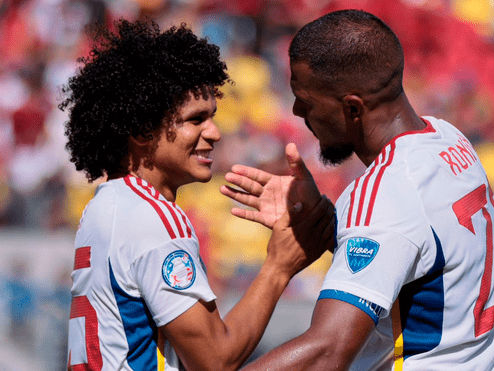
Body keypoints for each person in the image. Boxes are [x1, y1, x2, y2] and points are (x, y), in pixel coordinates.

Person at [221, 9, 494, 370]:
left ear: (352, 108)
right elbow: (420, 255)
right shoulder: (448, 139)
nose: (297, 111)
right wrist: (329, 223)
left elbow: (328, 351)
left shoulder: (388, 192)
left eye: (306, 101)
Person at [60, 19, 334, 371]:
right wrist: (279, 266)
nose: (215, 132)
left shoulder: (105, 204)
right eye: (196, 119)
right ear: (143, 129)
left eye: (213, 117)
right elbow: (216, 360)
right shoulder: (152, 216)